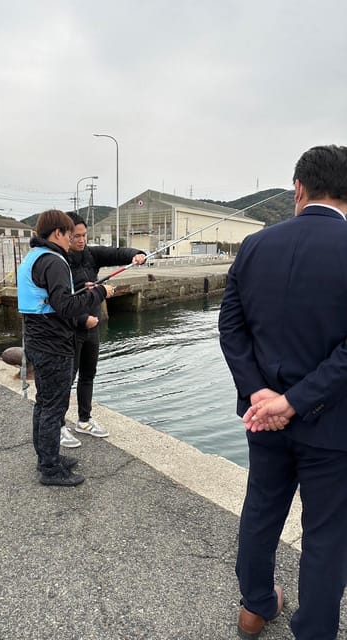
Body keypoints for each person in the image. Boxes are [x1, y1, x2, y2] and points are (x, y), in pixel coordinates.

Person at [218, 145, 347, 640]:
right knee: (326, 534)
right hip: (332, 423)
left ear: (299, 188)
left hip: (262, 418)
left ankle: (254, 607)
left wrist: (260, 395)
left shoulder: (254, 245)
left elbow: (231, 328)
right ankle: (313, 630)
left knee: (262, 508)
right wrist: (293, 401)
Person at [17, 209, 114, 486]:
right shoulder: (54, 261)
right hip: (53, 343)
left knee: (44, 403)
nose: (72, 240)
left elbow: (52, 297)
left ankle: (47, 457)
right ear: (57, 233)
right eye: (70, 234)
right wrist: (99, 292)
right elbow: (65, 306)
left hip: (36, 338)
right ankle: (50, 468)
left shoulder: (34, 257)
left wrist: (82, 289)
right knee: (54, 407)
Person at [59, 213, 146, 448]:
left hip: (93, 326)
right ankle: (58, 425)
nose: (81, 240)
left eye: (84, 235)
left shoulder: (91, 254)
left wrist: (136, 255)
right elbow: (59, 300)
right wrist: (81, 318)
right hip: (72, 328)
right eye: (76, 236)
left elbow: (116, 253)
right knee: (67, 378)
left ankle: (84, 420)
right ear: (66, 235)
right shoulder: (59, 260)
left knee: (89, 374)